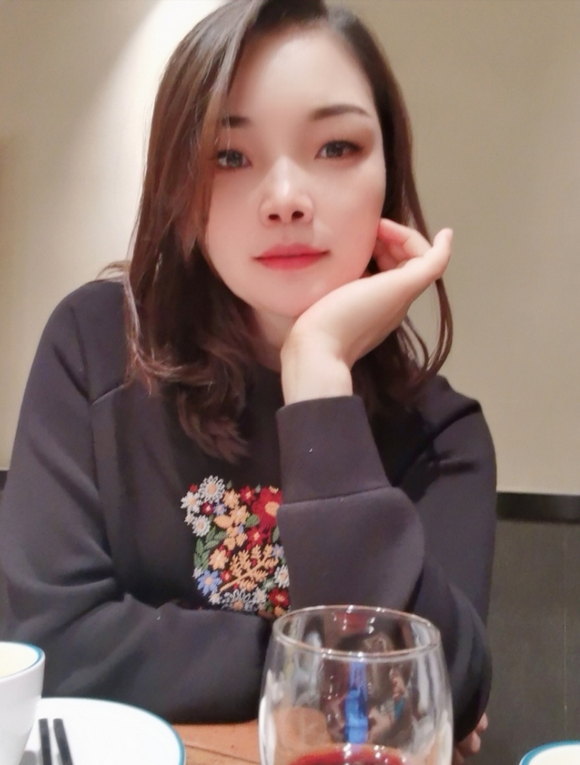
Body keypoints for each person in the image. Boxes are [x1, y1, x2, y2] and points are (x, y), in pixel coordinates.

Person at [0, 0, 496, 755]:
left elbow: (436, 695)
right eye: (230, 156)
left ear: (387, 174)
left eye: (336, 146)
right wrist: (317, 663)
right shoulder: (95, 347)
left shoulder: (442, 434)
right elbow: (50, 644)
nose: (286, 198)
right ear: (182, 192)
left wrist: (318, 371)